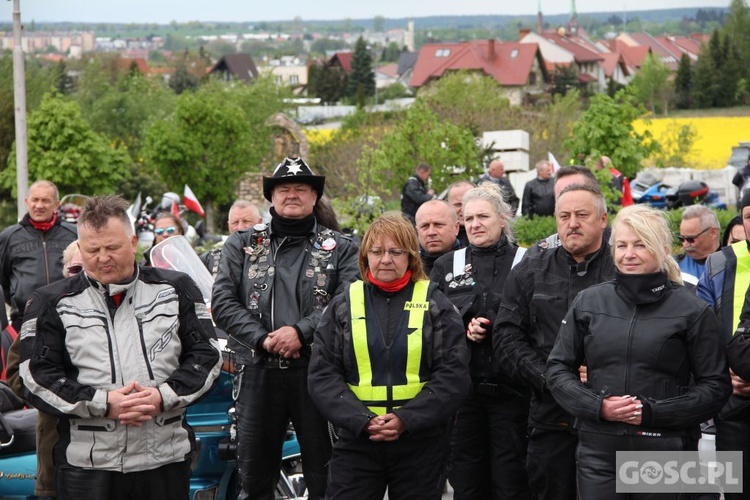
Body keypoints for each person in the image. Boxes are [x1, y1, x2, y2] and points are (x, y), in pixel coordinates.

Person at [18, 195, 222, 500]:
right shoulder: (49, 301)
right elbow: (35, 376)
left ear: (133, 241)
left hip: (165, 458)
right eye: (92, 250)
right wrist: (103, 403)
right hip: (88, 466)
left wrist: (161, 397)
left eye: (112, 247)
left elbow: (207, 357)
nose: (103, 257)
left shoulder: (176, 289)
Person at [546, 204, 731, 499]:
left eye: (640, 244)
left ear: (663, 249)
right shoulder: (589, 302)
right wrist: (598, 406)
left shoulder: (693, 310)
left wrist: (653, 412)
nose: (628, 254)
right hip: (598, 452)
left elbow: (715, 387)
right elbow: (557, 370)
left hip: (665, 450)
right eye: (621, 245)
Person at [212, 157, 359, 500]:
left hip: (319, 373)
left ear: (313, 197)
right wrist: (263, 339)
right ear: (272, 198)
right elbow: (222, 303)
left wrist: (301, 332)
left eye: (300, 189)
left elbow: (348, 301)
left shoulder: (341, 247)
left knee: (328, 476)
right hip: (257, 373)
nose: (292, 195)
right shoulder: (241, 244)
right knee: (254, 476)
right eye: (284, 189)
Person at [308, 212, 470, 500]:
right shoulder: (342, 305)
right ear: (365, 256)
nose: (386, 259)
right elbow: (322, 375)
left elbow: (453, 375)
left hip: (420, 443)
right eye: (377, 251)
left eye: (396, 252)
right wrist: (362, 420)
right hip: (357, 441)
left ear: (410, 257)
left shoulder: (435, 303)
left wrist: (406, 418)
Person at [494, 184, 616, 500]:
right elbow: (507, 337)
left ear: (603, 219)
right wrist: (554, 379)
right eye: (563, 216)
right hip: (552, 418)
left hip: (618, 420)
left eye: (581, 215)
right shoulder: (532, 266)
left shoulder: (625, 262)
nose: (571, 223)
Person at [430, 183, 530, 499]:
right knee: (468, 486)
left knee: (511, 485)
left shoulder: (529, 262)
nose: (475, 224)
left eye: (483, 217)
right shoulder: (447, 265)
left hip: (514, 396)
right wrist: (461, 331)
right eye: (469, 218)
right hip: (464, 398)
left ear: (503, 219)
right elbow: (429, 325)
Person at [697, 190, 750, 500]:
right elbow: (702, 329)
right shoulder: (720, 263)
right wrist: (724, 372)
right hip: (732, 401)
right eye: (748, 218)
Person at [0, 180, 77, 333]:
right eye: (35, 199)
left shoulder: (74, 234)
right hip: (24, 322)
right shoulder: (8, 237)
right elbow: (3, 282)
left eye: (45, 200)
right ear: (27, 202)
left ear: (56, 205)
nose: (39, 205)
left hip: (68, 320)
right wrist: (20, 298)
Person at [531, 166, 600, 252]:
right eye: (562, 197)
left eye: (575, 193)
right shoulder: (538, 254)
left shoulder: (618, 250)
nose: (572, 224)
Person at [201, 200, 262, 278]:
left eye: (246, 221)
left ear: (259, 223)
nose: (240, 228)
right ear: (228, 225)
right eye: (235, 222)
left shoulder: (273, 254)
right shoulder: (210, 260)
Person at [415, 200, 460, 275]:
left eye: (438, 225)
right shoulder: (407, 267)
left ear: (456, 228)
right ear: (417, 231)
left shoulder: (472, 263)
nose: (431, 232)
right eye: (425, 226)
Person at [676, 205, 721, 280]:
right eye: (681, 238)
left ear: (713, 233)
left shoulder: (731, 264)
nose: (685, 244)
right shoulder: (675, 266)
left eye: (690, 239)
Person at [446, 180, 475, 248]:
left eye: (468, 203)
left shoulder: (491, 231)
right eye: (458, 205)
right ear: (448, 205)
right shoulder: (441, 232)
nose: (463, 209)